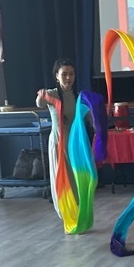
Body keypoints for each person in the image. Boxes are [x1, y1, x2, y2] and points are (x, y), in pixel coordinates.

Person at [36, 58, 78, 219]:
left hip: (75, 143)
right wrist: (41, 96)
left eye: (71, 74)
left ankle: (78, 213)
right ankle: (66, 215)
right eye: (64, 74)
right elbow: (40, 103)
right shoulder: (52, 93)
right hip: (59, 142)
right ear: (57, 76)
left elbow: (88, 117)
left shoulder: (78, 95)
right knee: (62, 179)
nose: (68, 78)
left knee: (77, 179)